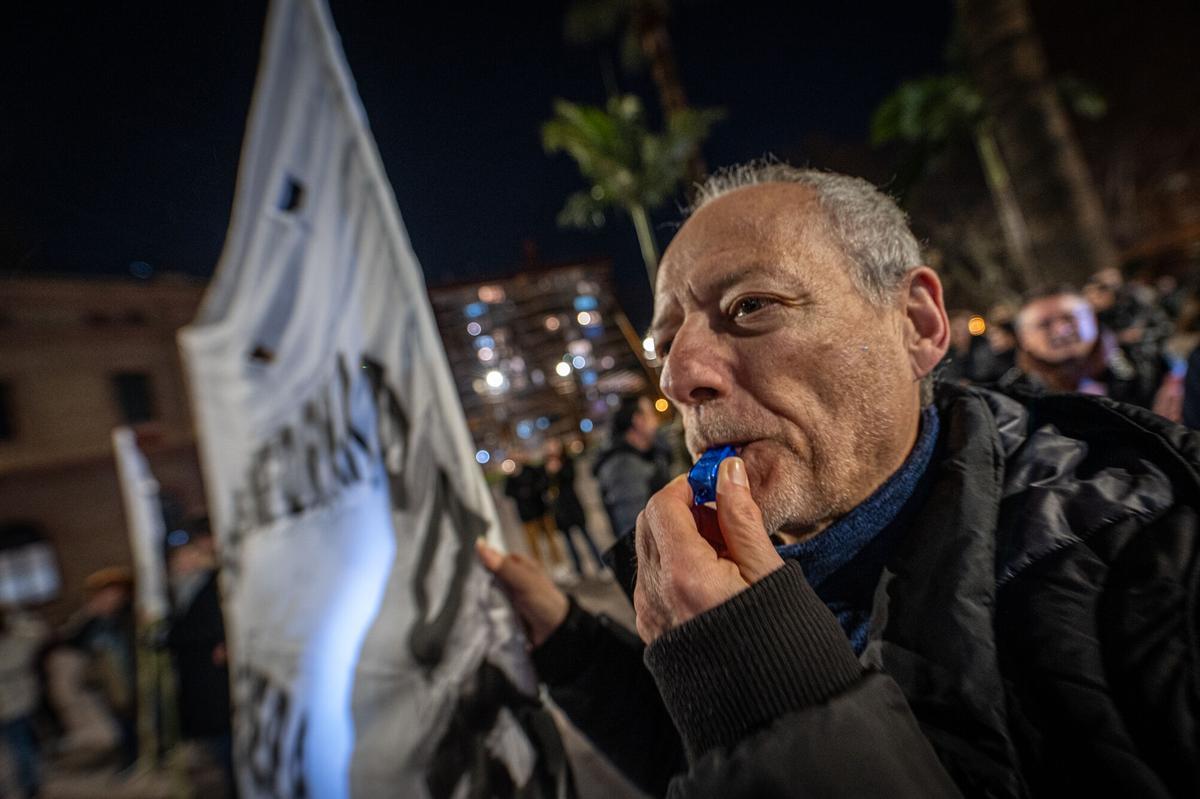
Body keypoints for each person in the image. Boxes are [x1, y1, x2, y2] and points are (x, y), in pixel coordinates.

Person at [477, 161, 1200, 797]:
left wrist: (783, 697)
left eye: (750, 306)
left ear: (916, 323)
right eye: (666, 344)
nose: (679, 373)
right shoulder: (752, 565)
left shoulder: (1152, 558)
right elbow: (702, 759)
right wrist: (573, 645)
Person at [164, 516, 234, 797]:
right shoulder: (191, 587)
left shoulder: (213, 584)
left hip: (213, 682)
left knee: (226, 745)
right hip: (202, 679)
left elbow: (203, 628)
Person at [1003, 285, 1162, 406]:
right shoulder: (1012, 398)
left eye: (1070, 318)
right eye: (1045, 324)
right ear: (1024, 338)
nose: (1062, 330)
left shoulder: (1148, 363)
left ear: (1093, 319)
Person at [592, 396, 671, 539]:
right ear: (638, 421)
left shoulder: (650, 453)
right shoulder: (623, 467)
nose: (656, 420)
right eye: (651, 414)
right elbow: (634, 530)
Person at [0, 608, 47, 798]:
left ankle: (30, 786)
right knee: (21, 746)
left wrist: (15, 618)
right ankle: (30, 786)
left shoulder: (16, 642)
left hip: (13, 706)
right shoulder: (18, 641)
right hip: (16, 705)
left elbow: (39, 632)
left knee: (21, 747)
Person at [543, 438, 606, 579]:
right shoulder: (545, 467)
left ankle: (600, 566)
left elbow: (571, 477)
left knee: (587, 536)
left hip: (573, 506)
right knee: (568, 543)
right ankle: (578, 570)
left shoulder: (567, 462)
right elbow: (544, 486)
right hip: (559, 511)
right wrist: (550, 473)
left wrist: (558, 470)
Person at [504, 455, 565, 570]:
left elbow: (542, 482)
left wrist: (531, 491)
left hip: (540, 511)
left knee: (551, 540)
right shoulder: (510, 477)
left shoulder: (531, 470)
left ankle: (558, 565)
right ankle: (539, 568)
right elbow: (508, 492)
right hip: (526, 516)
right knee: (533, 545)